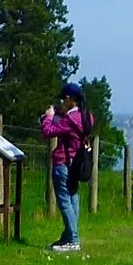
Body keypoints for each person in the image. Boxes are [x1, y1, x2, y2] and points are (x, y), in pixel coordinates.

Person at [40, 83, 95, 253]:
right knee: (73, 198)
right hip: (76, 163)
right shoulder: (87, 117)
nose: (62, 102)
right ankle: (68, 235)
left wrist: (49, 117)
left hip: (63, 162)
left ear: (71, 99)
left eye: (64, 99)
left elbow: (48, 132)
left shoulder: (70, 120)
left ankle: (73, 239)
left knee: (64, 201)